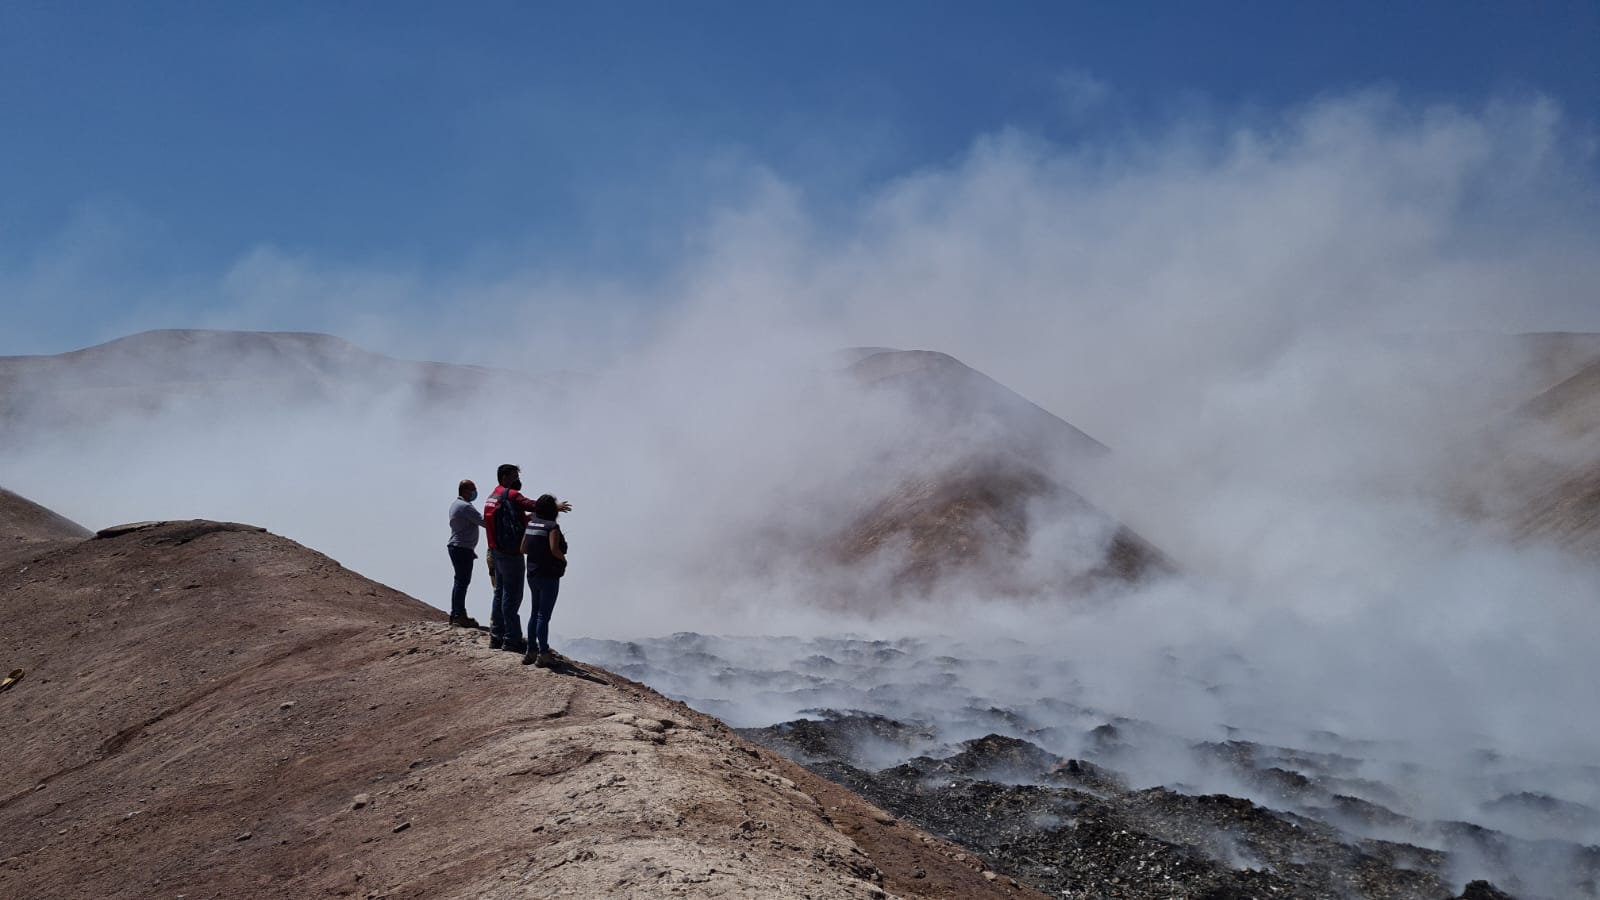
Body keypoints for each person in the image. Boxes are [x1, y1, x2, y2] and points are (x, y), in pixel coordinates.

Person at [483, 463, 571, 652]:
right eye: (514, 476)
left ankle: (496, 635)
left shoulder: (492, 497)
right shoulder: (512, 495)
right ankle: (512, 638)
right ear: (505, 477)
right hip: (510, 553)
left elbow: (518, 516)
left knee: (500, 593)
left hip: (495, 551)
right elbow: (534, 505)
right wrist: (553, 507)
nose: (518, 480)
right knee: (512, 596)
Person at [521, 493, 568, 668]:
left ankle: (531, 650)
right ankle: (544, 653)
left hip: (532, 574)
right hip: (548, 575)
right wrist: (563, 560)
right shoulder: (552, 527)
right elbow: (554, 549)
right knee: (543, 615)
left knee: (534, 613)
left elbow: (523, 548)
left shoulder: (532, 524)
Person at [445, 479, 484, 629]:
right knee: (462, 582)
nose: (475, 493)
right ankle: (459, 615)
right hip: (462, 548)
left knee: (459, 582)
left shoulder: (457, 504)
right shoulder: (465, 507)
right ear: (465, 490)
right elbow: (483, 522)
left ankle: (456, 613)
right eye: (472, 489)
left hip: (458, 547)